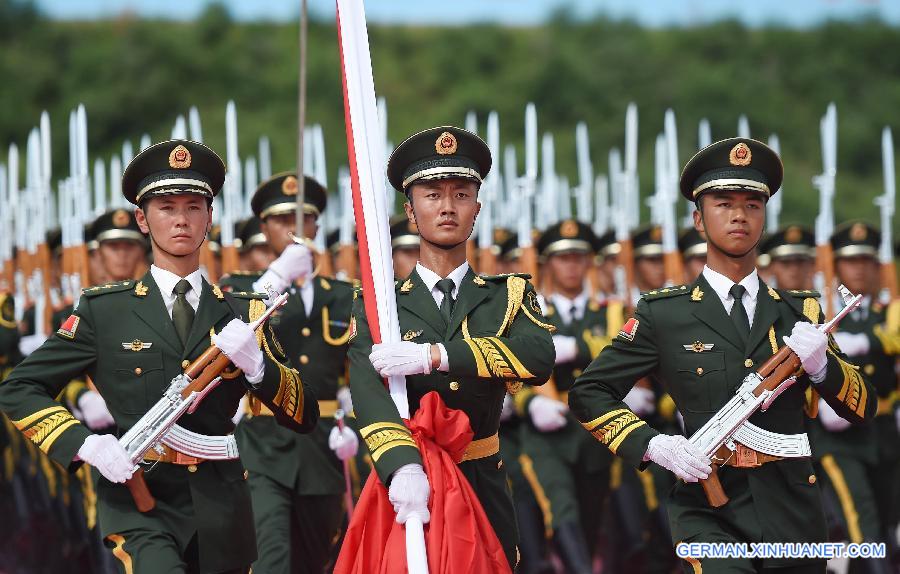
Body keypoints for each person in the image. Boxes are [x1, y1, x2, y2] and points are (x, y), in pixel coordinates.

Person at [0, 140, 319, 573]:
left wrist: (259, 369)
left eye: (193, 206)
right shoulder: (104, 310)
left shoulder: (243, 311)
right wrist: (86, 444)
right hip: (140, 497)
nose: (181, 219)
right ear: (142, 219)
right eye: (166, 206)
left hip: (221, 501)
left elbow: (304, 414)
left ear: (210, 217)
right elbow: (19, 387)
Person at [569, 137, 877, 573]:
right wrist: (653, 444)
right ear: (698, 219)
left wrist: (822, 367)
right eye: (723, 203)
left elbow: (864, 407)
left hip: (793, 510)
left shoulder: (801, 312)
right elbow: (590, 392)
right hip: (709, 509)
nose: (739, 215)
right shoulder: (665, 314)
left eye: (752, 204)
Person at [348, 126, 556, 569]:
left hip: (482, 477)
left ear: (476, 209)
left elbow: (539, 356)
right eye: (431, 194)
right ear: (410, 210)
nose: (446, 207)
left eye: (461, 194)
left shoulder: (509, 294)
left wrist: (436, 356)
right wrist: (401, 465)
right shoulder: (379, 304)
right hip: (409, 482)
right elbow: (368, 393)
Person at [235, 172, 358, 574]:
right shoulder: (240, 287)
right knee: (270, 557)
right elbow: (232, 329)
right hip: (263, 442)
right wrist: (275, 279)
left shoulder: (343, 296)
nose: (293, 228)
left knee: (316, 558)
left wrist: (353, 422)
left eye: (303, 219)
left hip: (323, 442)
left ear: (317, 227)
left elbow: (360, 372)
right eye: (281, 220)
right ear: (264, 228)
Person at [518, 219, 620, 573]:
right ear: (547, 264)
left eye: (579, 257)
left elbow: (619, 351)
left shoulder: (610, 311)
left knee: (592, 516)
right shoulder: (529, 312)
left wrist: (577, 346)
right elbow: (510, 374)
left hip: (595, 431)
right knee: (560, 508)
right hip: (546, 436)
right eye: (563, 258)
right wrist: (530, 402)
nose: (572, 265)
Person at [807, 221, 899, 572]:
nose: (859, 268)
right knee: (863, 523)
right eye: (850, 260)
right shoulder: (821, 312)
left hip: (884, 431)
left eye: (866, 260)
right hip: (839, 437)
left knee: (887, 520)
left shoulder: (889, 313)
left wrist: (870, 342)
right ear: (836, 266)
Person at [758, 225, 816, 290]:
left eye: (800, 261)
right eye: (785, 263)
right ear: (771, 266)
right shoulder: (758, 299)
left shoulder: (825, 298)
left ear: (810, 264)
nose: (794, 269)